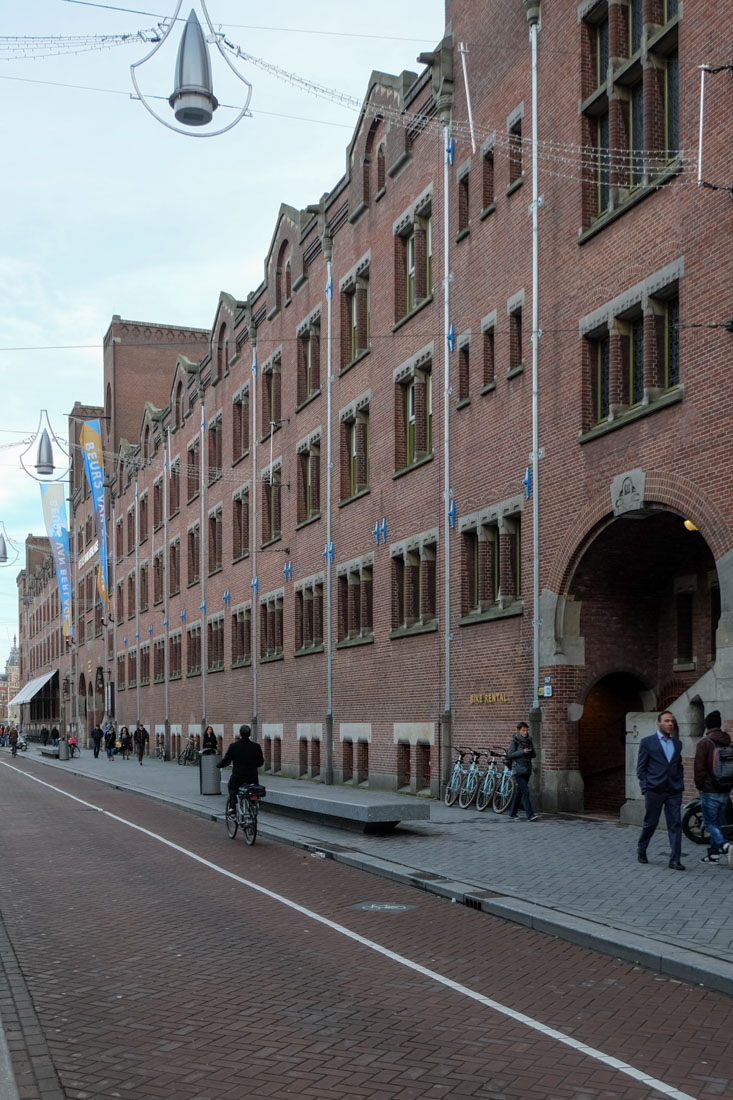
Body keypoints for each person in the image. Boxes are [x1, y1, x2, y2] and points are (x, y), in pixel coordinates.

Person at [636, 710, 685, 869]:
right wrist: (645, 787)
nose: (670, 724)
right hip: (654, 789)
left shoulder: (677, 743)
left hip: (673, 791)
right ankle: (642, 849)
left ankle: (675, 859)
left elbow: (678, 766)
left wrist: (680, 782)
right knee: (651, 823)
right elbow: (641, 768)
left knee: (675, 824)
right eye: (666, 721)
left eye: (672, 721)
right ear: (659, 723)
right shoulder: (647, 742)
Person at [694, 710, 732, 864]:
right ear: (719, 724)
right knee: (718, 823)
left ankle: (726, 847)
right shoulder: (727, 741)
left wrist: (700, 786)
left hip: (710, 790)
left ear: (706, 725)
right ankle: (713, 855)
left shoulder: (704, 743)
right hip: (725, 788)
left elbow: (699, 769)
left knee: (710, 823)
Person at [217, 725, 264, 812]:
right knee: (252, 792)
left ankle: (233, 808)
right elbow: (261, 762)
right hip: (252, 777)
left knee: (232, 788)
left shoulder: (234, 746)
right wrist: (252, 765)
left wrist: (218, 765)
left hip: (238, 777)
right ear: (250, 734)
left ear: (240, 734)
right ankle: (252, 808)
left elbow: (226, 760)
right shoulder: (256, 746)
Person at [506, 721, 540, 821]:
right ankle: (530, 815)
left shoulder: (529, 740)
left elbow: (534, 755)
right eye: (523, 730)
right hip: (518, 770)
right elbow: (510, 755)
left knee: (520, 792)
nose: (525, 732)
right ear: (519, 730)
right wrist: (522, 752)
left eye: (526, 730)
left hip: (527, 769)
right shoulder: (514, 740)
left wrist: (530, 751)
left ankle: (512, 812)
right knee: (525, 791)